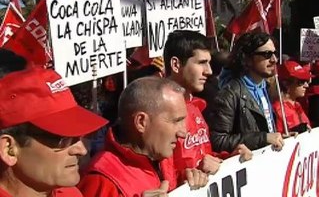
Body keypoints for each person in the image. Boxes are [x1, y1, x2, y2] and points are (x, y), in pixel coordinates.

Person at [78, 76, 208, 196]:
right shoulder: (102, 180)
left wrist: (189, 178)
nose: (183, 133)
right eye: (175, 121)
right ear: (141, 122)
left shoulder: (160, 155)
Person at [162, 30, 252, 188]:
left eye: (209, 63)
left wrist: (229, 157)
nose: (209, 71)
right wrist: (191, 175)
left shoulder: (196, 106)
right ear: (176, 65)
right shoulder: (158, 110)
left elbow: (203, 156)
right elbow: (159, 179)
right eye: (201, 62)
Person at [0, 67, 108, 197]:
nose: (81, 150)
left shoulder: (70, 194)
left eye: (81, 135)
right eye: (62, 139)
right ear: (9, 149)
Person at [210, 32, 284, 152]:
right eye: (267, 54)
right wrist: (262, 138)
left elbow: (267, 130)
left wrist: (279, 137)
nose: (274, 59)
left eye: (274, 53)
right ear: (248, 59)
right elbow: (218, 140)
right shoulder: (230, 93)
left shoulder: (266, 87)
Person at [273, 60, 312, 133]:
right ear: (286, 84)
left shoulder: (297, 104)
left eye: (307, 81)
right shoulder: (277, 108)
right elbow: (277, 137)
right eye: (301, 82)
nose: (306, 85)